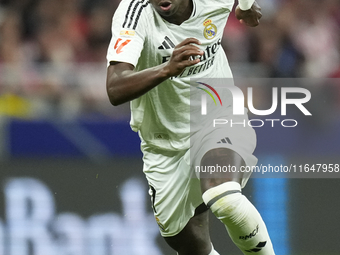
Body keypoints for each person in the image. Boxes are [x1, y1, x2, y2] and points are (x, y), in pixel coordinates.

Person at [106, 0, 275, 254]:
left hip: (217, 117)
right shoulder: (135, 12)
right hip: (163, 145)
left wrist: (247, 5)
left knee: (224, 197)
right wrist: (167, 68)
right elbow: (115, 88)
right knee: (187, 244)